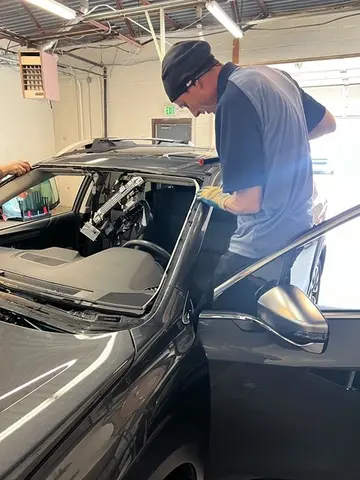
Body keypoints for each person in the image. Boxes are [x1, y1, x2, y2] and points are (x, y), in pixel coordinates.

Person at [161, 40, 336, 309]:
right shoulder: (273, 77)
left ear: (194, 83)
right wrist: (280, 147)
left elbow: (248, 202)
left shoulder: (232, 100)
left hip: (260, 249)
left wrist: (217, 197)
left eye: (185, 104)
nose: (195, 113)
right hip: (297, 230)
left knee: (203, 310)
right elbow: (327, 123)